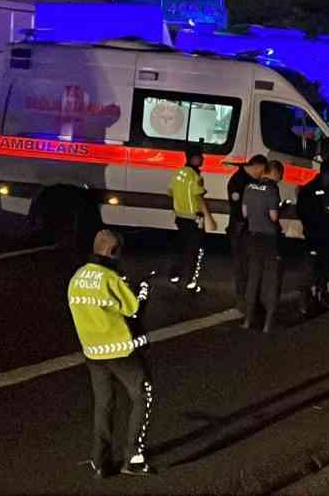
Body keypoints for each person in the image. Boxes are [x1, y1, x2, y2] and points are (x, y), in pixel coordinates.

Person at [68, 230, 155, 477]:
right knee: (143, 393)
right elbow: (134, 309)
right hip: (119, 349)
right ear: (112, 252)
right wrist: (144, 288)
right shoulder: (110, 279)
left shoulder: (77, 276)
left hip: (92, 351)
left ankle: (100, 461)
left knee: (104, 403)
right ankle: (134, 458)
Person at [167, 145, 216, 293]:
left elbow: (170, 192)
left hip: (180, 217)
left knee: (181, 247)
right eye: (201, 156)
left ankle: (174, 275)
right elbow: (198, 197)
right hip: (194, 218)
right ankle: (190, 282)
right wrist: (209, 217)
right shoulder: (195, 176)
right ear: (194, 158)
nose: (203, 159)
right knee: (194, 251)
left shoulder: (178, 173)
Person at [242, 160, 284, 332]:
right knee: (273, 279)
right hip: (269, 238)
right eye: (281, 175)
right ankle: (268, 323)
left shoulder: (249, 187)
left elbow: (244, 213)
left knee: (253, 278)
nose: (281, 179)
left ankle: (247, 320)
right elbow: (274, 216)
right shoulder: (272, 189)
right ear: (274, 172)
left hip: (253, 236)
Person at [297, 160, 329, 314]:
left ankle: (321, 295)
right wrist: (319, 218)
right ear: (326, 173)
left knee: (326, 266)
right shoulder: (310, 189)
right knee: (311, 268)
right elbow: (303, 212)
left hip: (328, 235)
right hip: (315, 235)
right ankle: (306, 300)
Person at [226, 154, 268, 313]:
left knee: (253, 267)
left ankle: (252, 300)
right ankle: (243, 301)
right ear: (256, 166)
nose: (262, 174)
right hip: (241, 228)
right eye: (262, 170)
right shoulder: (238, 181)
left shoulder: (252, 181)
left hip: (251, 228)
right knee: (242, 267)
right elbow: (238, 209)